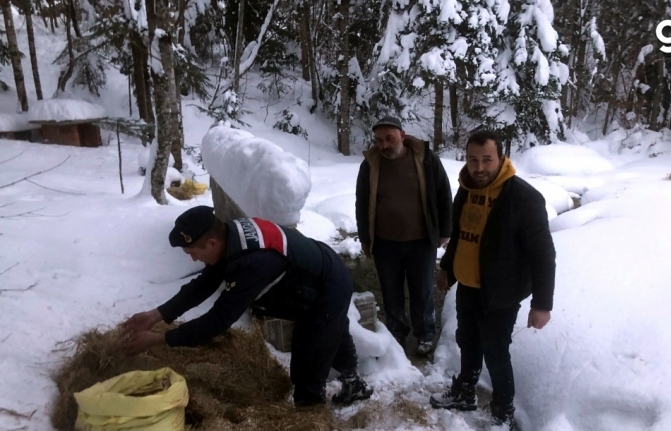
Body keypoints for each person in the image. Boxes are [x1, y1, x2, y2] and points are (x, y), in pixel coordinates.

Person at [121, 205, 373, 407]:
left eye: (191, 252)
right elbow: (204, 283)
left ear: (210, 243)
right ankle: (353, 383)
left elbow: (216, 321)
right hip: (319, 269)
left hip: (326, 287)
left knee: (309, 363)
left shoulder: (251, 264)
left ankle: (311, 412)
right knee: (333, 330)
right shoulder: (229, 235)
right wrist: (156, 315)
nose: (193, 258)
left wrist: (157, 340)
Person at [429, 130, 556, 429]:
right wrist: (447, 267)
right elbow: (460, 235)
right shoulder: (466, 187)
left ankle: (502, 412)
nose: (480, 167)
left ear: (501, 158)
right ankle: (465, 391)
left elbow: (543, 255)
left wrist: (542, 303)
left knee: (496, 353)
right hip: (467, 287)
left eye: (487, 159)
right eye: (473, 160)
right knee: (468, 342)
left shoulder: (523, 198)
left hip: (501, 294)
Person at [355, 116, 452, 356]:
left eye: (389, 138)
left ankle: (425, 334)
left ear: (403, 135)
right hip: (386, 243)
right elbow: (362, 203)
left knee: (422, 292)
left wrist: (445, 231)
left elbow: (443, 194)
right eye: (379, 140)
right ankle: (396, 334)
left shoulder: (426, 159)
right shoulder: (370, 165)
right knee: (391, 293)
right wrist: (365, 238)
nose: (384, 145)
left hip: (421, 241)